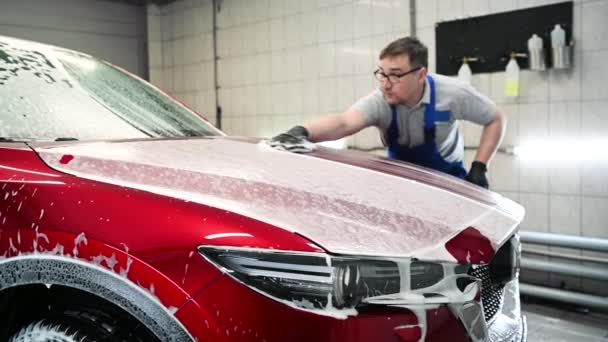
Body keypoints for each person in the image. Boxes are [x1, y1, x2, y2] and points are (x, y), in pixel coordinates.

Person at [269, 37, 505, 189]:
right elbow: (344, 123)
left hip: (448, 183)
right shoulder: (381, 100)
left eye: (395, 74)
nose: (385, 83)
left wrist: (479, 167)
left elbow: (495, 118)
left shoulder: (453, 94)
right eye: (381, 73)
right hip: (401, 184)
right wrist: (301, 132)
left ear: (420, 75)